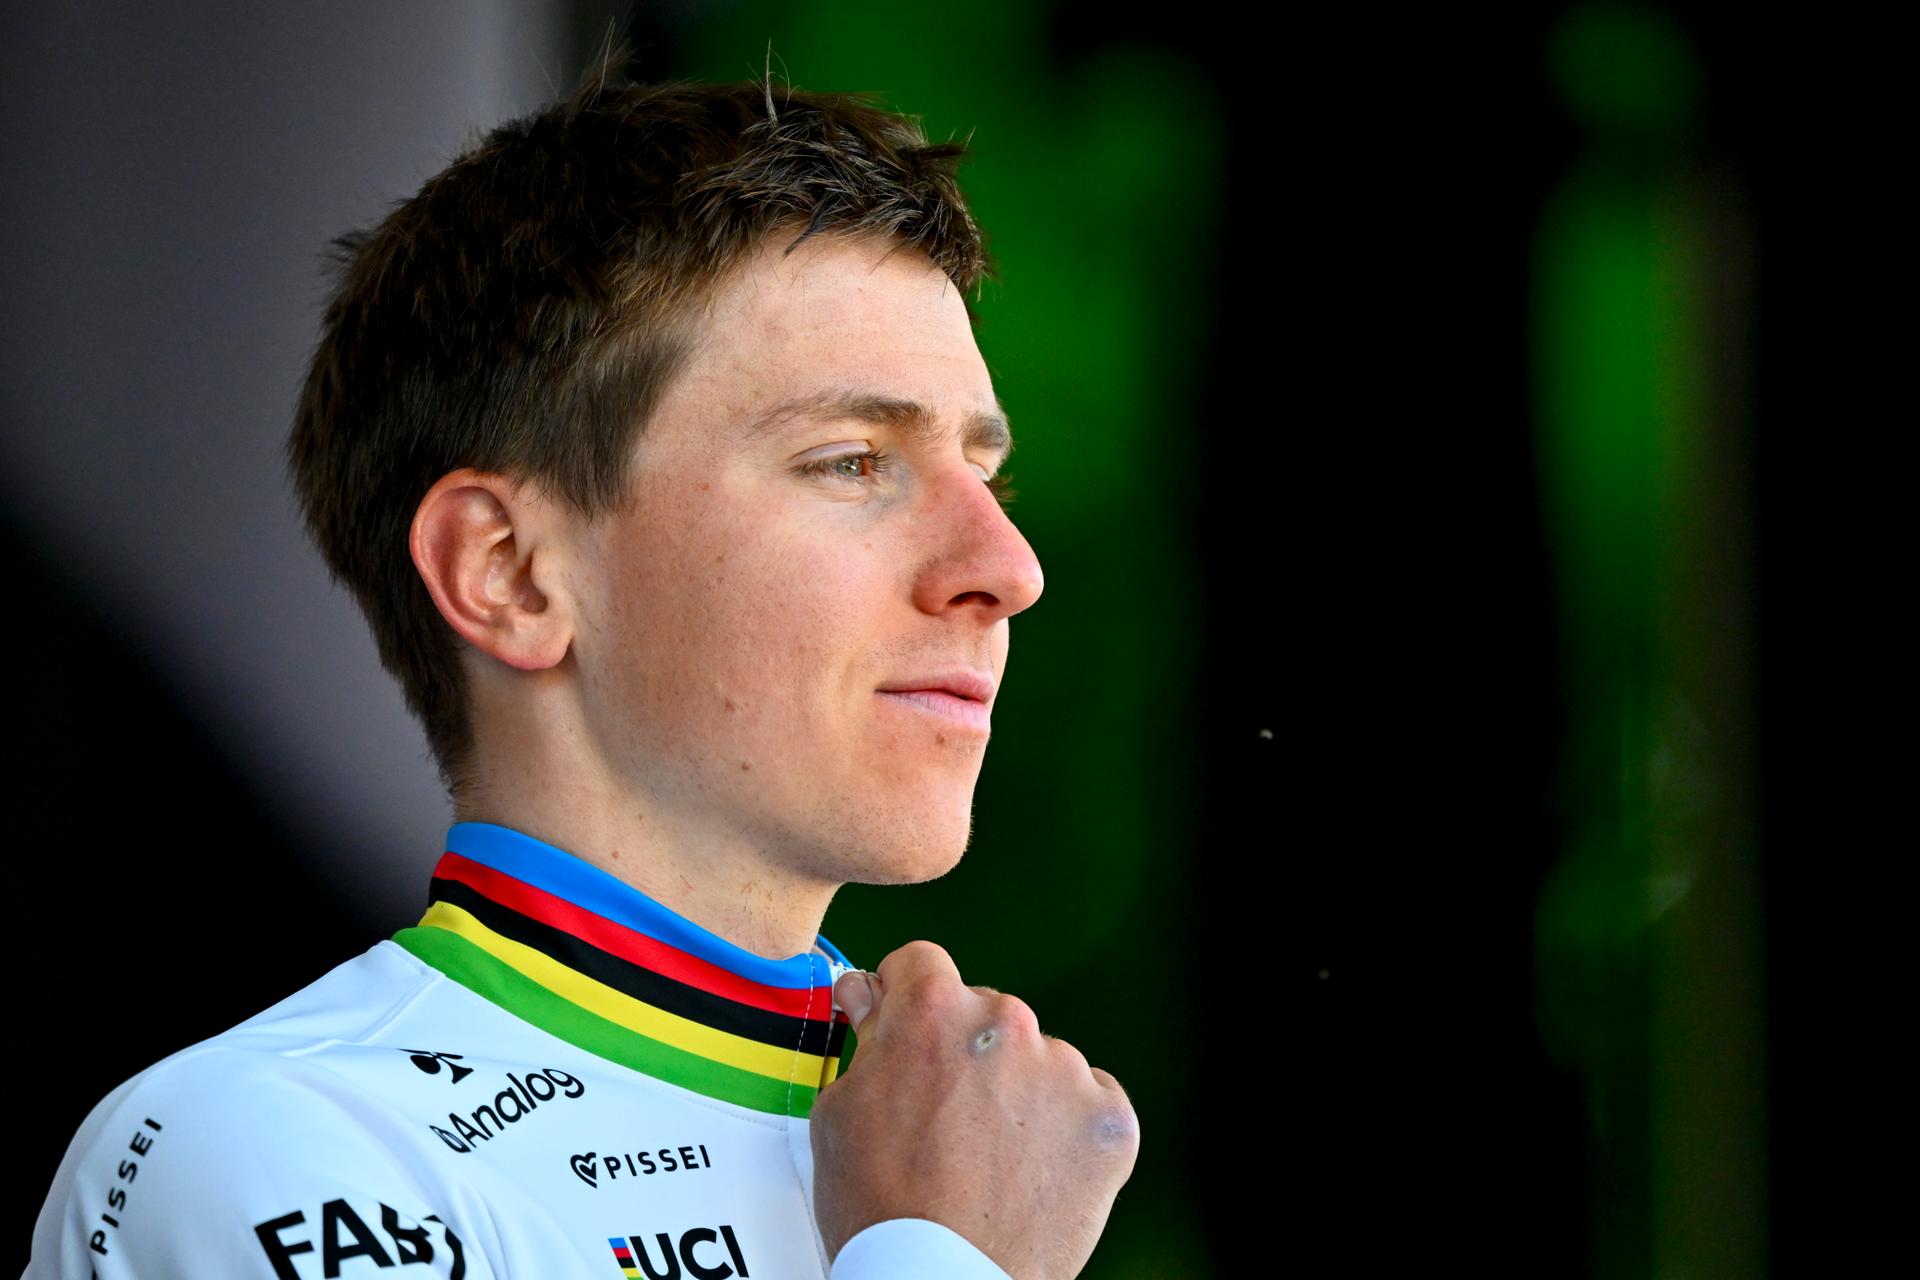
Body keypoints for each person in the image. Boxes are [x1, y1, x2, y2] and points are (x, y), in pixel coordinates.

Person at [24, 58, 1138, 1280]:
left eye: (990, 474)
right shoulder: (269, 1153)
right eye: (852, 460)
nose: (1007, 566)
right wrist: (943, 1259)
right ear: (509, 572)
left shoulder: (984, 1143)